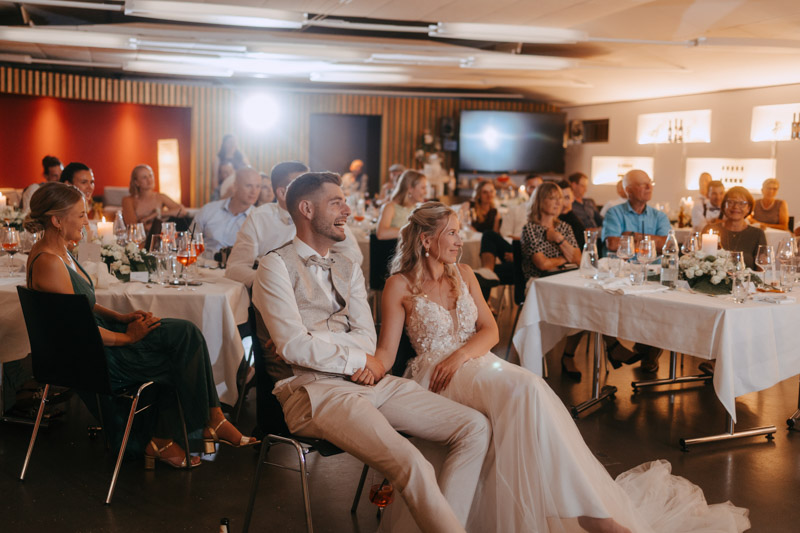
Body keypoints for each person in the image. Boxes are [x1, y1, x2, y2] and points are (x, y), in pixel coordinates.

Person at [377, 201, 750, 533]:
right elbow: (386, 355)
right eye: (452, 233)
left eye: (460, 232)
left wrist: (461, 355)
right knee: (525, 388)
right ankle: (587, 514)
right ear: (426, 240)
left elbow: (491, 331)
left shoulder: (465, 274)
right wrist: (361, 372)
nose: (460, 241)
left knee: (529, 390)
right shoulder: (399, 285)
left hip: (475, 361)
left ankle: (580, 510)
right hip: (436, 375)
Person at [253, 172, 490, 533]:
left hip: (373, 381)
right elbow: (293, 345)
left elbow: (366, 337)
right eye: (336, 202)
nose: (347, 210)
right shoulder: (274, 265)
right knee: (412, 463)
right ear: (306, 209)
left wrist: (333, 346)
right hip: (314, 391)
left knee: (475, 427)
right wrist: (357, 358)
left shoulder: (349, 265)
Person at [24, 182, 256, 468]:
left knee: (186, 332)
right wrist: (128, 338)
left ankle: (202, 424)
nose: (87, 221)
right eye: (81, 215)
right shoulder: (49, 262)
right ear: (57, 221)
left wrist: (120, 318)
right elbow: (76, 330)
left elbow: (80, 305)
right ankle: (178, 432)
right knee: (180, 352)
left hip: (96, 339)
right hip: (90, 356)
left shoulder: (61, 252)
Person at [225, 161, 362, 288]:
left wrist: (322, 273)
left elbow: (354, 253)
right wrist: (273, 282)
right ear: (282, 193)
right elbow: (236, 267)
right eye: (305, 187)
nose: (314, 191)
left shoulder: (325, 214)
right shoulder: (259, 218)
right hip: (271, 295)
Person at [602, 169, 671, 373]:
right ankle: (615, 344)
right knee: (604, 297)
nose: (649, 187)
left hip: (652, 273)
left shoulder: (659, 216)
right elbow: (613, 243)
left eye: (650, 183)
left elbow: (666, 244)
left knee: (664, 304)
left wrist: (631, 235)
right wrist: (650, 242)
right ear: (628, 190)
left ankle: (650, 348)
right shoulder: (614, 213)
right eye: (643, 184)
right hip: (621, 273)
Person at [192, 167, 261, 255]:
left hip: (237, 263)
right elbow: (190, 240)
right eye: (249, 186)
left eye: (258, 186)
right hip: (203, 261)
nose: (254, 191)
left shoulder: (259, 218)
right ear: (235, 186)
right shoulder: (208, 210)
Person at [703, 187, 766, 270]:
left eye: (742, 203)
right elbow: (700, 261)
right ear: (724, 205)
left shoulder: (757, 234)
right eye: (731, 202)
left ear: (748, 208)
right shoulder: (710, 230)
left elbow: (762, 268)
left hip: (747, 278)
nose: (736, 206)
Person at [468, 180, 513, 296]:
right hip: (472, 241)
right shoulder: (470, 206)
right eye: (485, 192)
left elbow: (495, 233)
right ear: (479, 194)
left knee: (485, 273)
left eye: (491, 192)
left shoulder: (495, 212)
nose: (489, 195)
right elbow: (464, 224)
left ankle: (483, 298)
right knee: (486, 273)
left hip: (486, 246)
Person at [121, 164, 186, 233]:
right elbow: (133, 227)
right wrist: (153, 225)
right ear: (136, 182)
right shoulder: (128, 200)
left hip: (158, 236)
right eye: (144, 177)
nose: (149, 180)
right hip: (140, 238)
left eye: (150, 175)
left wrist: (156, 214)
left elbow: (182, 211)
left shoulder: (160, 197)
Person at [375, 170, 427, 240]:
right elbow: (381, 234)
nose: (426, 192)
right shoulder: (390, 207)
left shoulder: (417, 208)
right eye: (423, 188)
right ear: (410, 189)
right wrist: (412, 231)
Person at [499, 174, 542, 240]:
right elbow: (505, 234)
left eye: (539, 187)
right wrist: (526, 242)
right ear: (526, 189)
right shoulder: (515, 209)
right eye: (532, 187)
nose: (536, 190)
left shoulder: (550, 211)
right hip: (517, 244)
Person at [557, 180, 586, 249]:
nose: (563, 203)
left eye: (567, 198)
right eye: (560, 198)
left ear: (573, 198)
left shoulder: (577, 225)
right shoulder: (549, 221)